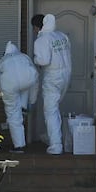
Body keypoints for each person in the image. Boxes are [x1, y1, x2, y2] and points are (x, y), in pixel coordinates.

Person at [31, 13, 72, 155]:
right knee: (55, 108)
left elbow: (43, 61)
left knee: (50, 110)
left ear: (37, 27)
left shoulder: (42, 40)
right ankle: (52, 136)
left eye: (34, 28)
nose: (34, 31)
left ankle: (56, 145)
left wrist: (35, 60)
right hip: (66, 75)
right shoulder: (61, 36)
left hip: (53, 77)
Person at [0, 41, 39, 153]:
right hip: (28, 80)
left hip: (9, 84)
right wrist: (32, 101)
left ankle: (19, 146)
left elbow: (0, 82)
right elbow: (35, 78)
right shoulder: (24, 57)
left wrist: (5, 97)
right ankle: (24, 106)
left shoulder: (2, 61)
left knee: (13, 115)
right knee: (27, 84)